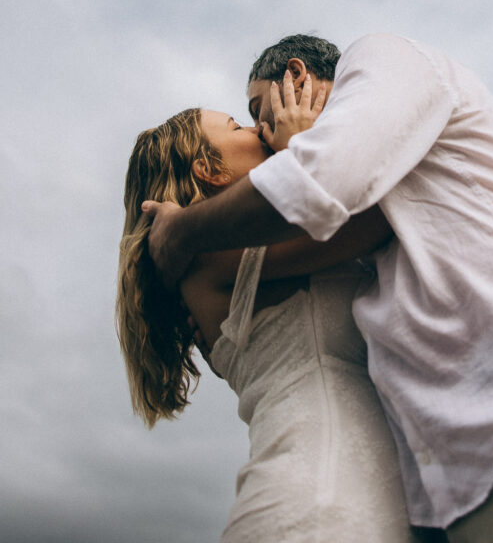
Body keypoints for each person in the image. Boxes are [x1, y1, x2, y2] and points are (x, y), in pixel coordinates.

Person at [143, 33, 493, 542]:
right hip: (443, 476)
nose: (261, 131)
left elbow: (326, 191)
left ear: (298, 77)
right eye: (248, 124)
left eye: (257, 112)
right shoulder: (241, 252)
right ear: (206, 170)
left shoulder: (381, 60)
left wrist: (183, 227)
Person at [116, 103, 421, 542]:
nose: (258, 128)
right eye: (237, 126)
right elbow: (378, 215)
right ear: (209, 168)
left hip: (355, 501)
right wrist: (301, 144)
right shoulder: (211, 256)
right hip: (318, 507)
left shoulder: (214, 258)